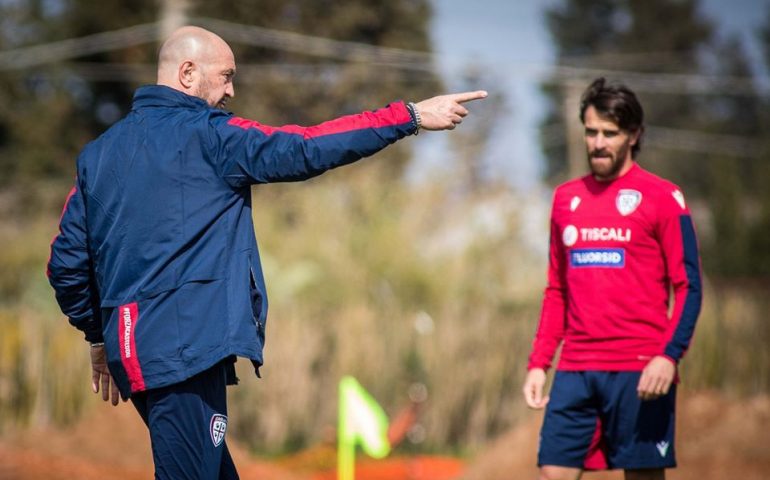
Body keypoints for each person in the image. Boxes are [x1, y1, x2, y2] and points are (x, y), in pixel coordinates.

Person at [47, 25, 486, 479]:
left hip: (133, 348)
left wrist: (99, 335)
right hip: (187, 346)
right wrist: (409, 116)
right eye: (226, 75)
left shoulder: (98, 155)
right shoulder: (213, 135)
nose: (232, 89)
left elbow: (65, 264)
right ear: (187, 73)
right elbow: (306, 146)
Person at [521, 77, 702, 480]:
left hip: (639, 368)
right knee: (553, 472)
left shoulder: (663, 197)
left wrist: (668, 356)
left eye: (610, 133)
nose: (598, 143)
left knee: (641, 476)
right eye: (590, 132)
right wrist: (539, 363)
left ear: (633, 135)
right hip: (575, 368)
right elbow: (557, 290)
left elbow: (688, 286)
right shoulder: (566, 199)